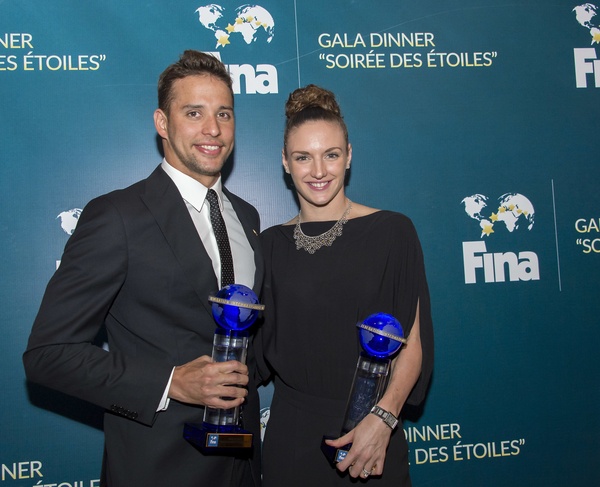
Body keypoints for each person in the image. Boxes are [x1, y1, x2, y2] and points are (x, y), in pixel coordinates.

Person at [23, 50, 263, 487]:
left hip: (242, 467)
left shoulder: (247, 217)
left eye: (224, 114)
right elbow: (47, 355)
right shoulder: (118, 216)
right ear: (162, 123)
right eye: (194, 113)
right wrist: (171, 382)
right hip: (159, 469)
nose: (213, 129)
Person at [256, 84, 433, 486]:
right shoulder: (268, 245)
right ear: (285, 162)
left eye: (331, 155)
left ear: (349, 156)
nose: (318, 172)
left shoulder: (392, 232)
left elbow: (413, 345)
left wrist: (384, 419)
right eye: (303, 157)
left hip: (371, 435)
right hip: (292, 440)